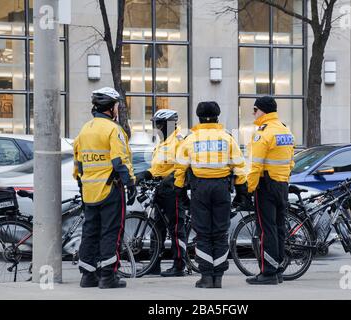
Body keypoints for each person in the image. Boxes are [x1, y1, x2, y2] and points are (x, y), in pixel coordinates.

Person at [174, 101, 248, 288]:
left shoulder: (190, 139)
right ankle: (218, 277)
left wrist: (180, 192)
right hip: (222, 188)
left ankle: (207, 276)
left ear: (198, 117)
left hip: (200, 188)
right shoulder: (227, 138)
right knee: (221, 232)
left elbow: (180, 168)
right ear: (217, 116)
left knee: (203, 233)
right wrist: (241, 193)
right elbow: (239, 167)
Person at [73, 87, 136, 289]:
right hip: (110, 189)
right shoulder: (113, 129)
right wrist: (130, 183)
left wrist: (82, 184)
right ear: (111, 107)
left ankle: (87, 276)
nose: (117, 108)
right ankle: (108, 276)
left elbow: (78, 164)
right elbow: (120, 161)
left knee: (90, 232)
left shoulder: (85, 129)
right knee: (111, 232)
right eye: (117, 105)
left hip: (89, 192)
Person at [245, 96, 295, 285]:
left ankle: (268, 273)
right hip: (282, 184)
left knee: (266, 230)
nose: (253, 113)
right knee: (279, 228)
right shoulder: (285, 130)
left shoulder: (262, 133)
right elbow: (291, 160)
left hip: (265, 185)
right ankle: (278, 269)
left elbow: (255, 166)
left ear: (263, 110)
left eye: (255, 109)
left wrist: (248, 188)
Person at [136, 109, 188, 277]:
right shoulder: (163, 142)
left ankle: (179, 265)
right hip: (161, 189)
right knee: (156, 227)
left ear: (169, 124)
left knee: (175, 228)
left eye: (159, 124)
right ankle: (154, 264)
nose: (156, 127)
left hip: (173, 189)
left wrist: (170, 178)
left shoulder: (179, 140)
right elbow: (159, 166)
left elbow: (182, 165)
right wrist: (146, 174)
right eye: (156, 124)